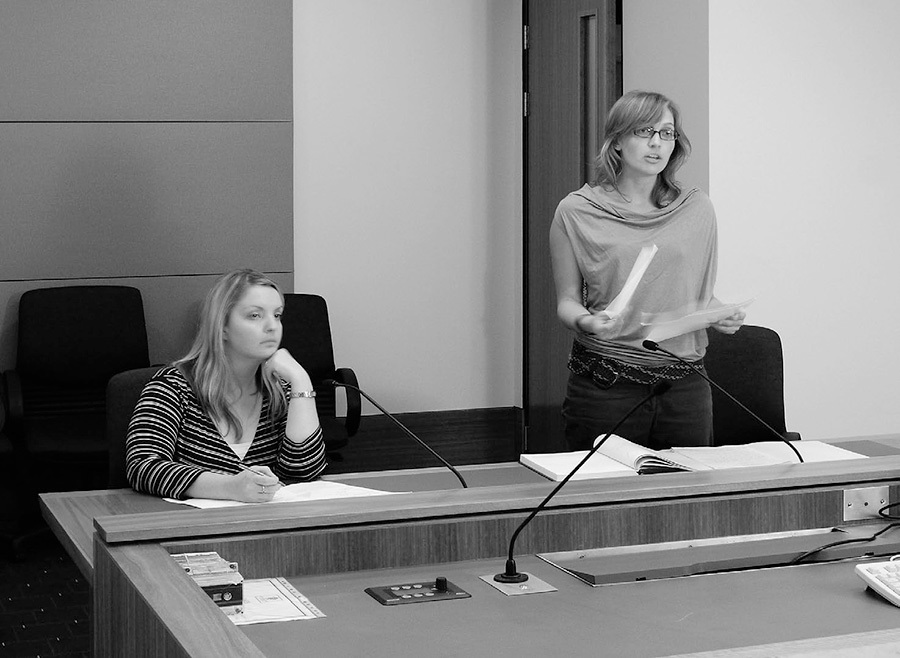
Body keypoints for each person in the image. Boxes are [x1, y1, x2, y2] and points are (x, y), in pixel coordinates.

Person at [550, 90, 745, 452]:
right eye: (644, 131)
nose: (657, 143)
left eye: (667, 133)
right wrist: (586, 321)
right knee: (605, 499)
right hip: (605, 383)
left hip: (684, 385)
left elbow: (696, 293)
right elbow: (566, 301)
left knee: (685, 501)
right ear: (618, 142)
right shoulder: (576, 211)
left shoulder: (697, 208)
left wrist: (719, 313)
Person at [126, 269, 327, 502]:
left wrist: (301, 380)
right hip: (191, 531)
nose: (272, 326)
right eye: (255, 316)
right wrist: (231, 487)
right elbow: (143, 467)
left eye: (278, 315)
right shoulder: (172, 388)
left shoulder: (280, 390)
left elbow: (304, 472)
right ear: (222, 327)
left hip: (269, 528)